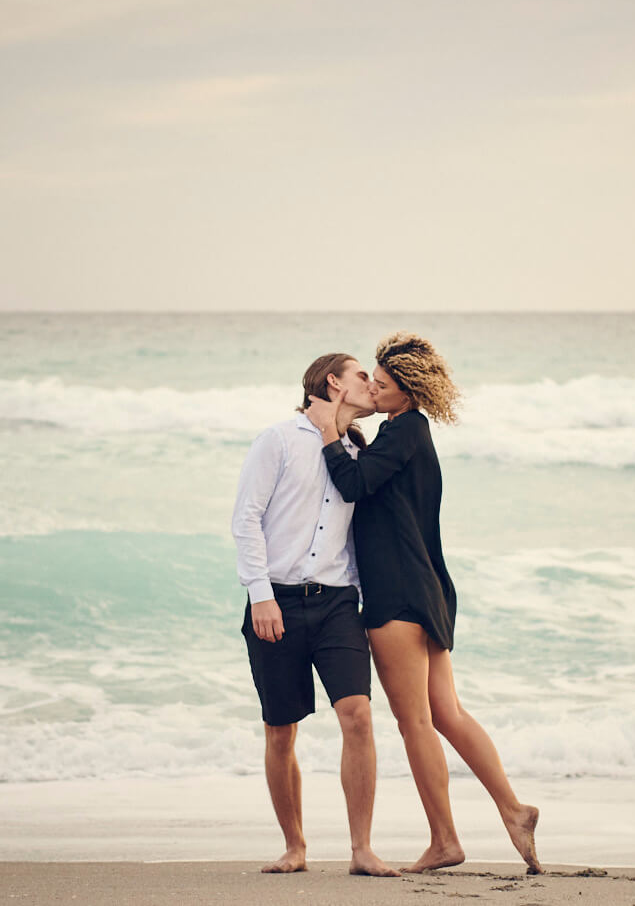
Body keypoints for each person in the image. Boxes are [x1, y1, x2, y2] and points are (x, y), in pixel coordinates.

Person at [306, 332, 542, 875]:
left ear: (407, 390)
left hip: (397, 594)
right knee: (445, 715)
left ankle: (444, 841)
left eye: (383, 384)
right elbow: (376, 481)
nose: (375, 389)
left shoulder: (404, 430)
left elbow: (354, 485)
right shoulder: (405, 433)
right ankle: (513, 809)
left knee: (414, 721)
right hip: (427, 588)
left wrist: (326, 436)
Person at [231, 352, 400, 878]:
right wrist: (260, 593)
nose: (372, 385)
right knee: (281, 730)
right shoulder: (278, 439)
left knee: (359, 716)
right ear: (333, 383)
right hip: (276, 602)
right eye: (361, 377)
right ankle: (295, 847)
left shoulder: (353, 451)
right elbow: (246, 518)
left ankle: (362, 849)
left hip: (337, 604)